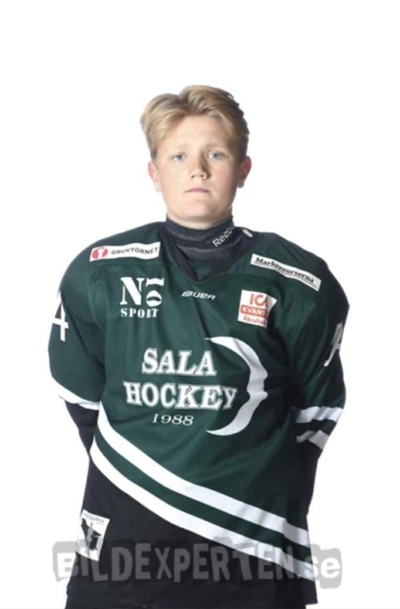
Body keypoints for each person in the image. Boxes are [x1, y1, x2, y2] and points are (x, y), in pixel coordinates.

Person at [48, 85, 349, 609]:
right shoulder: (100, 273)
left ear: (244, 168)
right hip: (126, 536)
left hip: (252, 543)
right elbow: (82, 400)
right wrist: (156, 468)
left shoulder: (298, 282)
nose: (198, 171)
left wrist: (247, 478)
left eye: (216, 155)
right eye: (179, 156)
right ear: (153, 172)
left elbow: (315, 414)